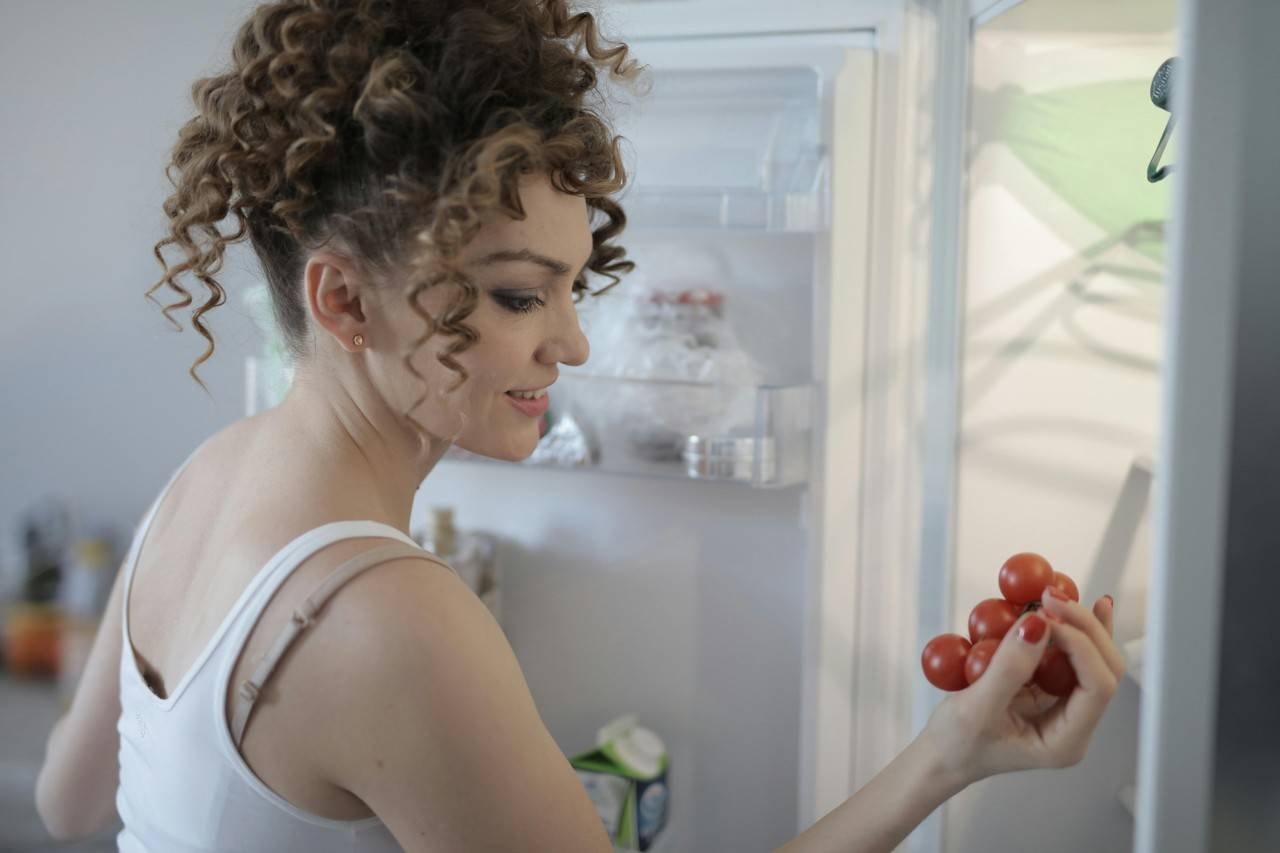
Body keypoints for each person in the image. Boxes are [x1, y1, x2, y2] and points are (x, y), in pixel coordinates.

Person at [33, 1, 1124, 851]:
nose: (574, 344)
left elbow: (68, 799)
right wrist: (944, 759)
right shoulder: (390, 619)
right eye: (518, 295)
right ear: (342, 302)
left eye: (571, 288)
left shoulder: (201, 481)